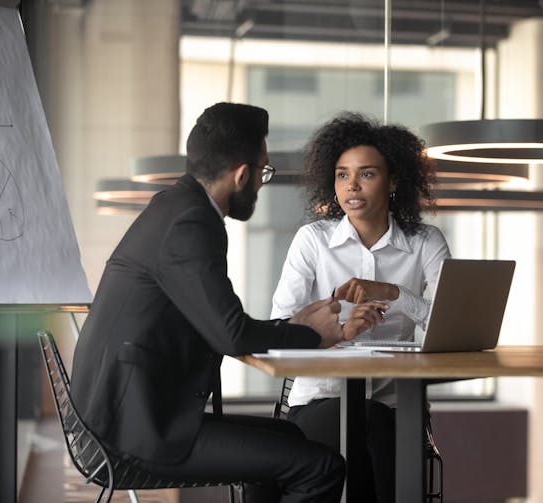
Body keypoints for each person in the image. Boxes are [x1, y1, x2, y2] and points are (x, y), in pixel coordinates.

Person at [70, 102, 346, 502]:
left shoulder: (175, 207)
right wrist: (312, 335)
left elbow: (219, 323)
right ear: (241, 174)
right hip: (130, 430)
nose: (260, 184)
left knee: (288, 438)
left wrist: (299, 323)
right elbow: (231, 334)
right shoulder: (192, 223)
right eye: (263, 173)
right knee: (322, 467)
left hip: (124, 414)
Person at [271, 112, 451, 502]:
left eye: (366, 174)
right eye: (342, 174)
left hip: (396, 404)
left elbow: (449, 326)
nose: (351, 185)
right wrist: (337, 329)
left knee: (378, 420)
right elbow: (281, 323)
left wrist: (392, 291)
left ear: (394, 181)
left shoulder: (425, 242)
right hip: (319, 400)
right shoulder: (312, 241)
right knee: (370, 422)